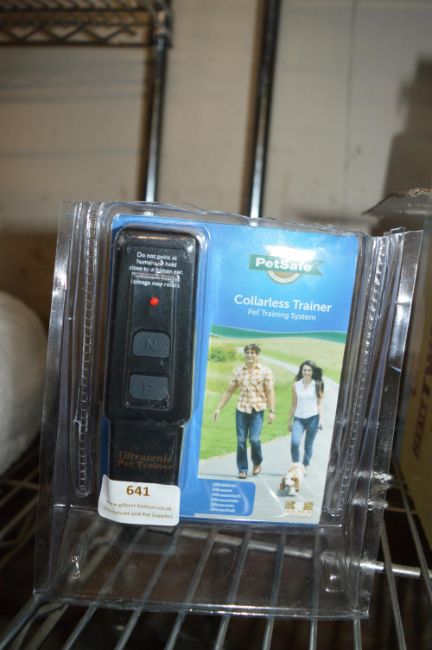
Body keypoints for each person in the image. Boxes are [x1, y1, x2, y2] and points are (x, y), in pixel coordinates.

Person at [213, 344, 275, 479]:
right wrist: (219, 408)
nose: (250, 355)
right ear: (245, 354)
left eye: (253, 352)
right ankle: (242, 469)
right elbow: (229, 391)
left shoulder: (265, 371)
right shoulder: (238, 371)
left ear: (257, 355)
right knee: (241, 440)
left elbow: (270, 391)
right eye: (247, 352)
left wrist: (272, 411)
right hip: (241, 409)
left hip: (257, 409)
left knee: (254, 439)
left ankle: (257, 462)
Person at [287, 360, 324, 470]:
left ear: (312, 372)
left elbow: (319, 403)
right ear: (301, 371)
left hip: (313, 418)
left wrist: (321, 419)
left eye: (309, 370)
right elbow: (293, 404)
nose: (306, 372)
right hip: (299, 419)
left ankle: (305, 465)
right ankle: (296, 465)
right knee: (295, 442)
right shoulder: (295, 386)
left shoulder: (317, 385)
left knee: (308, 444)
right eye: (304, 370)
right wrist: (289, 421)